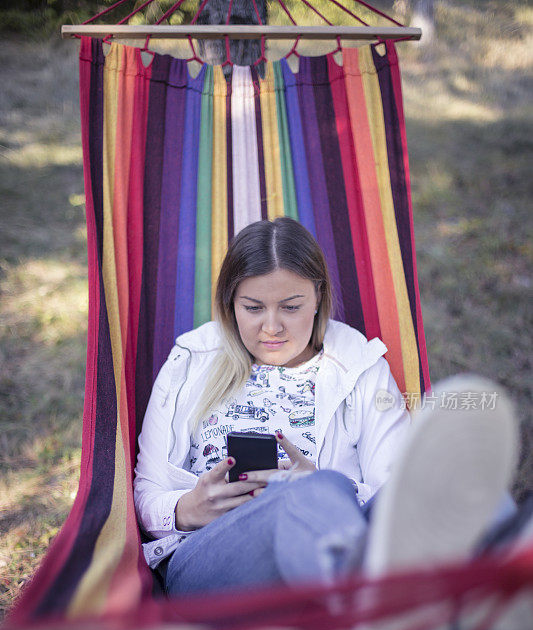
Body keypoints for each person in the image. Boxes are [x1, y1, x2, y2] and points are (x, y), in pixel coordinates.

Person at [133, 217, 519, 597]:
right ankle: (370, 585)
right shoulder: (191, 360)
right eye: (253, 308)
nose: (271, 327)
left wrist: (328, 490)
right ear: (230, 303)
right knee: (311, 489)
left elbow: (394, 489)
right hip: (209, 562)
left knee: (440, 479)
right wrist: (188, 508)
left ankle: (508, 550)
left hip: (330, 539)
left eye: (290, 307)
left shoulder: (357, 362)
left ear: (318, 296)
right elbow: (147, 491)